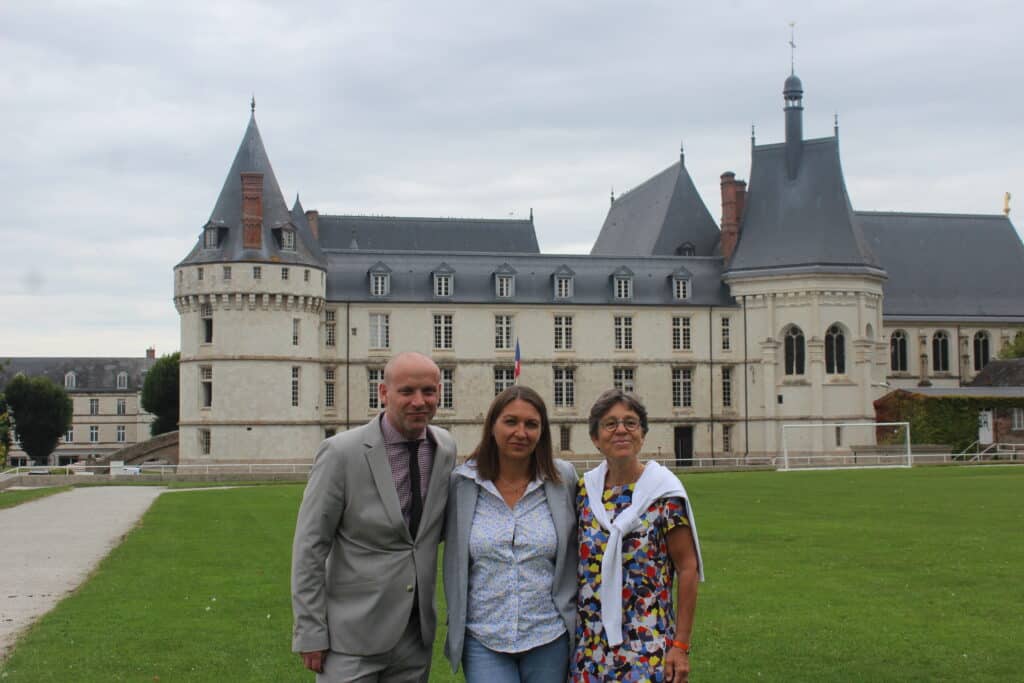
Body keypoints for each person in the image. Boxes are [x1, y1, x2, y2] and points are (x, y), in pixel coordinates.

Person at [291, 352, 457, 682]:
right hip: (351, 637)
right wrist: (310, 631)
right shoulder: (341, 453)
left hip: (414, 636)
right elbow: (310, 546)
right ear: (383, 393)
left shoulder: (445, 448)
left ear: (440, 392)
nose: (419, 401)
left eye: (429, 391)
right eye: (407, 391)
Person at [443, 385, 578, 682]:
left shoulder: (563, 479)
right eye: (511, 421)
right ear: (492, 426)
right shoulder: (462, 483)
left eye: (531, 424)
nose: (521, 432)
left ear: (542, 431)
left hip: (549, 635)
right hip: (483, 636)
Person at [573, 389, 704, 683]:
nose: (621, 430)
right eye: (610, 424)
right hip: (591, 648)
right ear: (595, 438)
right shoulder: (584, 492)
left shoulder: (665, 494)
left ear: (642, 434)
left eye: (630, 423)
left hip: (649, 645)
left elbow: (687, 568)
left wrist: (681, 646)